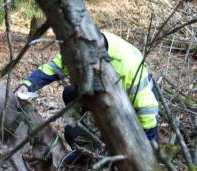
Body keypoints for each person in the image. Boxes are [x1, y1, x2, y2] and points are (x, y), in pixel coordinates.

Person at [15, 31, 159, 152]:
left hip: (129, 109)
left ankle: (95, 146)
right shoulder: (81, 48)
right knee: (70, 92)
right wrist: (27, 86)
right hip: (106, 96)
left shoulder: (127, 67)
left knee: (73, 134)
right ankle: (91, 129)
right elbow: (53, 68)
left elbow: (147, 110)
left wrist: (146, 148)